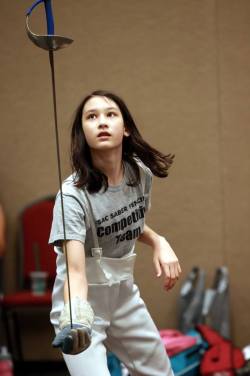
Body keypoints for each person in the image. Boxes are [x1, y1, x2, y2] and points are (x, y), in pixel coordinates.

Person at [49, 90, 181, 376]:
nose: (102, 122)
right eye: (92, 116)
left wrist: (159, 240)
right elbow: (75, 270)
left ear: (126, 128)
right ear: (83, 133)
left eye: (111, 114)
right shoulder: (72, 196)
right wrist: (76, 316)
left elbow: (125, 221)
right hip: (81, 302)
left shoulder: (139, 175)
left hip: (123, 295)